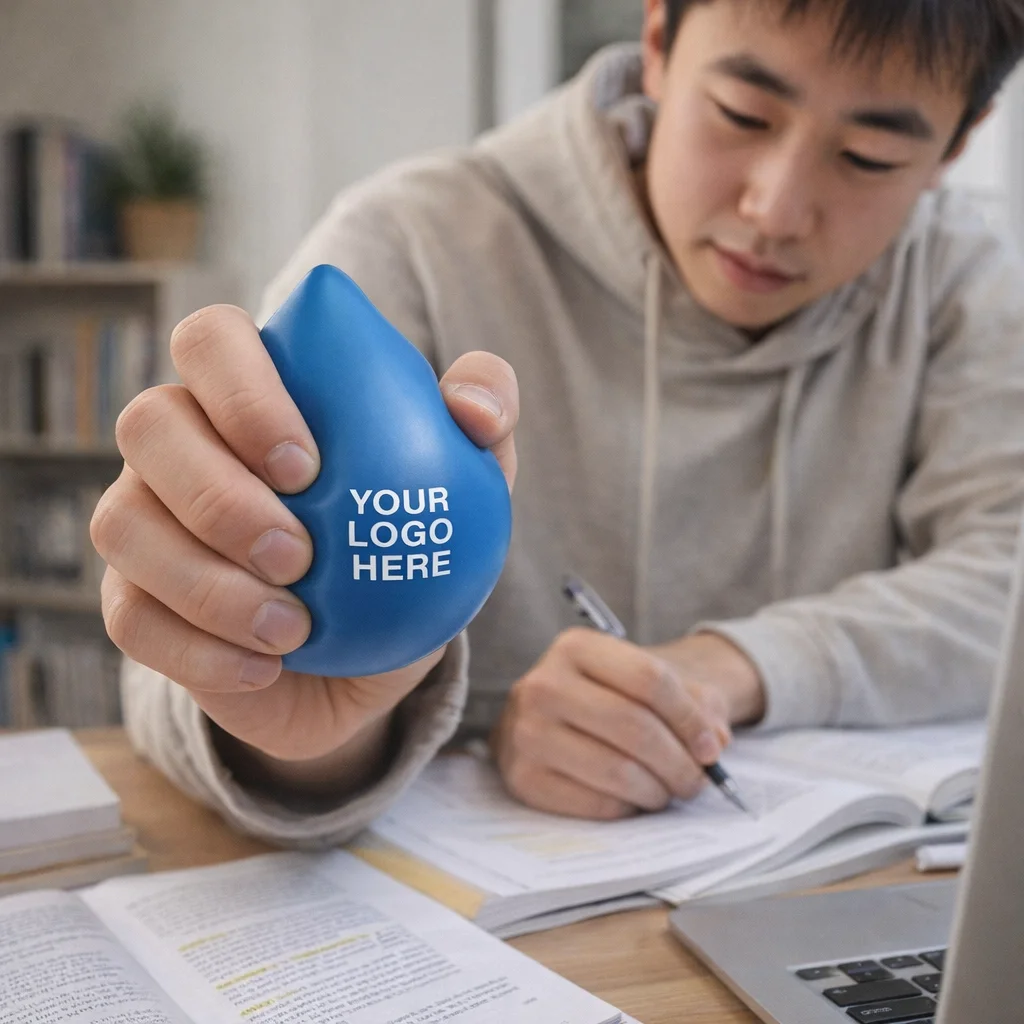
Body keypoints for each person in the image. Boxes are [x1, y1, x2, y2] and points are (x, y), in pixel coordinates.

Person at [92, 0, 1024, 844]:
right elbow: (183, 656)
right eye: (741, 114)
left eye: (869, 157)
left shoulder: (958, 283)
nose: (774, 209)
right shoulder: (411, 243)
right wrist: (312, 733)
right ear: (657, 43)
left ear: (957, 145)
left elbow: (1008, 573)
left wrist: (727, 666)